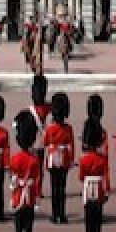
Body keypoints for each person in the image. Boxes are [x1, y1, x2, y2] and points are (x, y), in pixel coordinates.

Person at [8, 110, 42, 232]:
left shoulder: (14, 158)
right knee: (27, 229)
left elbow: (12, 178)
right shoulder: (34, 160)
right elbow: (35, 181)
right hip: (28, 198)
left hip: (17, 195)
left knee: (17, 228)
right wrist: (36, 199)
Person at [78, 116, 109, 232]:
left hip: (88, 189)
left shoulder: (83, 159)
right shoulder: (102, 159)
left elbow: (81, 176)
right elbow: (105, 176)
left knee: (89, 222)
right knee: (97, 223)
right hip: (99, 190)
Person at [43, 93, 74, 224]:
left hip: (52, 158)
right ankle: (62, 214)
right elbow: (71, 145)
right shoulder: (68, 128)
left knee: (54, 187)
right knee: (62, 188)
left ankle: (55, 214)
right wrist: (71, 160)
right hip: (64, 158)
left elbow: (45, 142)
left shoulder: (50, 129)